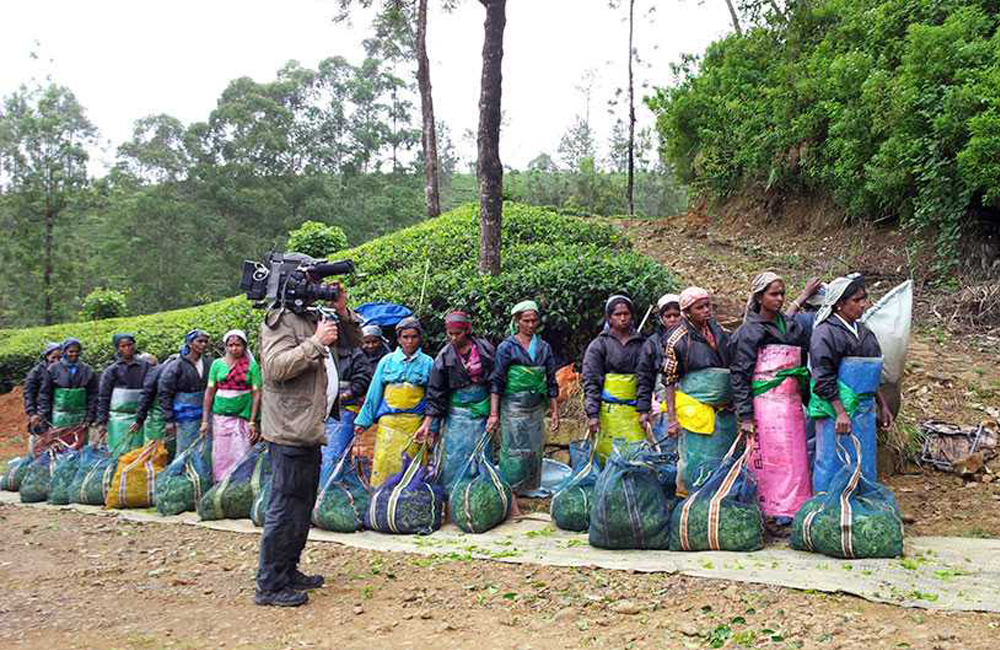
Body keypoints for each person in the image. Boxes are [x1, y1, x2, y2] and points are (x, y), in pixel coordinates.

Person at [256, 267, 361, 608]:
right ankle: (270, 585)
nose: (318, 289)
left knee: (301, 506)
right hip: (288, 429)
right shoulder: (280, 321)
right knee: (284, 507)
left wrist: (343, 312)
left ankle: (289, 569)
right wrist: (315, 343)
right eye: (312, 282)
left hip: (309, 429)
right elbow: (275, 368)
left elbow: (352, 343)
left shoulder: (312, 315)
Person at [729, 272, 812, 531]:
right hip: (764, 406)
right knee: (768, 459)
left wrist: (807, 398)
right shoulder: (749, 332)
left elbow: (801, 359)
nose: (779, 299)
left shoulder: (789, 326)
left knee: (794, 458)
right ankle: (767, 511)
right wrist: (745, 416)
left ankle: (792, 509)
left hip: (790, 403)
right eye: (773, 294)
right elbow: (740, 375)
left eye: (782, 294)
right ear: (760, 297)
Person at [808, 274, 893, 492]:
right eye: (857, 300)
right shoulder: (825, 333)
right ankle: (830, 506)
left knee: (862, 458)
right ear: (839, 304)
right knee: (833, 458)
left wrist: (882, 406)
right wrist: (840, 412)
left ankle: (860, 503)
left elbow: (872, 373)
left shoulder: (865, 333)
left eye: (864, 298)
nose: (863, 304)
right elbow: (822, 377)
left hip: (864, 412)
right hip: (835, 411)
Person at [662, 287, 734, 495]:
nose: (706, 310)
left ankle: (719, 497)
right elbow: (669, 380)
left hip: (723, 409)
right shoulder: (677, 339)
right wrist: (672, 418)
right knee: (696, 457)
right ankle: (692, 499)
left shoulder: (716, 329)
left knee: (722, 455)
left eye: (707, 305)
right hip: (695, 407)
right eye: (699, 307)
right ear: (687, 312)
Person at [489, 301, 560, 509]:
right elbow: (497, 381)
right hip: (512, 407)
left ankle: (530, 489)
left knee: (534, 448)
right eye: (526, 320)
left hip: (536, 407)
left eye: (534, 320)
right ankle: (510, 495)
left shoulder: (544, 348)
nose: (530, 324)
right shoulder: (506, 347)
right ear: (517, 321)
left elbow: (550, 380)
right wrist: (494, 413)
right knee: (513, 449)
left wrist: (555, 410)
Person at [353, 317, 434, 488]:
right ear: (398, 339)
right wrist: (362, 422)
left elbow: (432, 398)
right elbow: (374, 394)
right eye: (405, 337)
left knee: (412, 468)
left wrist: (431, 427)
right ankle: (382, 503)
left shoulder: (428, 363)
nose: (409, 341)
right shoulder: (387, 362)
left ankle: (409, 504)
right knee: (384, 465)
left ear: (420, 338)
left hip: (415, 426)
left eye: (413, 337)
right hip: (388, 424)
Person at [422, 310, 496, 490]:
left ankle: (481, 492)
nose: (454, 338)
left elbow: (496, 381)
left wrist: (494, 413)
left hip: (482, 412)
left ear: (467, 330)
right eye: (450, 334)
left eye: (458, 333)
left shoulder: (485, 350)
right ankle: (454, 492)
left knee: (481, 454)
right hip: (457, 416)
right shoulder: (444, 357)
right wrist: (427, 424)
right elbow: (435, 393)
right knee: (455, 454)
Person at [582, 296, 650, 462]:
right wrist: (593, 414)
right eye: (617, 314)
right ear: (609, 318)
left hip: (634, 414)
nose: (622, 318)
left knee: (636, 456)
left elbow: (645, 379)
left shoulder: (641, 344)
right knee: (608, 456)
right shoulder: (599, 345)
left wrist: (643, 409)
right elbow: (592, 381)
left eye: (626, 313)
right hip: (608, 413)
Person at [199, 330, 262, 481]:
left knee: (241, 451)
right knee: (221, 452)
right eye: (231, 345)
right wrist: (205, 421)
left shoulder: (251, 366)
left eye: (238, 345)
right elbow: (209, 392)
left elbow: (257, 394)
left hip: (243, 417)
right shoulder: (217, 365)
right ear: (226, 347)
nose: (234, 348)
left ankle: (240, 483)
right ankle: (221, 483)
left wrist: (253, 421)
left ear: (244, 346)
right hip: (220, 418)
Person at [320, 332, 373, 482]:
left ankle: (327, 493)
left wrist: (346, 394)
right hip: (318, 411)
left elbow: (363, 378)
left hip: (344, 410)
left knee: (334, 455)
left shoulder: (354, 353)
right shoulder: (317, 349)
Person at [636, 293, 681, 448]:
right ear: (661, 318)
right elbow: (644, 378)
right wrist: (644, 408)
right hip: (662, 404)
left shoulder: (691, 339)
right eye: (668, 316)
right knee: (666, 448)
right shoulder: (652, 344)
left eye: (677, 315)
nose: (673, 319)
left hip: (689, 404)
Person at [96, 333, 153, 455]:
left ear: (134, 345)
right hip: (118, 420)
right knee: (119, 451)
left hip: (141, 418)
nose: (127, 348)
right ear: (118, 348)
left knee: (139, 452)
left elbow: (149, 392)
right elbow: (103, 397)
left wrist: (140, 418)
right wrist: (102, 422)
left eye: (130, 344)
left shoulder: (146, 367)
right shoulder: (112, 370)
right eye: (123, 346)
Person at [158, 330, 213, 457]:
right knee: (186, 447)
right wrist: (169, 419)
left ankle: (202, 474)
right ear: (189, 343)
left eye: (205, 342)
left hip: (205, 414)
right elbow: (164, 392)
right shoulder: (177, 365)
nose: (203, 344)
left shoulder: (209, 363)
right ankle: (184, 475)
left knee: (205, 447)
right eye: (199, 341)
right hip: (185, 415)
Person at [37, 338, 99, 440]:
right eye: (71, 351)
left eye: (77, 351)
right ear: (64, 351)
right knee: (60, 444)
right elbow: (45, 394)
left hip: (80, 417)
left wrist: (90, 416)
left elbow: (93, 395)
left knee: (78, 444)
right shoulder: (53, 369)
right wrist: (45, 416)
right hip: (58, 417)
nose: (74, 354)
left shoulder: (87, 370)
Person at [23, 342, 62, 450]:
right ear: (47, 356)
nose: (56, 360)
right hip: (41, 411)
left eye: (60, 357)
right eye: (53, 357)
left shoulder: (63, 369)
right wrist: (32, 413)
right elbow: (28, 394)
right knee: (40, 438)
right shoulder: (36, 372)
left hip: (58, 410)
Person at [133, 353, 173, 455]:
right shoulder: (166, 369)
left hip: (159, 419)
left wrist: (139, 419)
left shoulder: (155, 372)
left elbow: (146, 396)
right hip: (169, 418)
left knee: (156, 449)